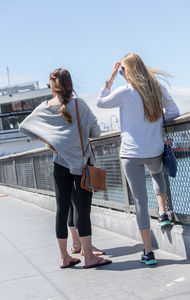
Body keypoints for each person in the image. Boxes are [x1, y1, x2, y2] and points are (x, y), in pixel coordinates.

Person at [20, 68, 112, 269]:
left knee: (62, 210)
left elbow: (24, 127)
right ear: (70, 85)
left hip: (59, 164)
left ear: (52, 87)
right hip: (81, 166)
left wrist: (49, 141)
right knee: (82, 210)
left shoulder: (45, 108)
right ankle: (89, 256)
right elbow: (95, 132)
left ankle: (65, 257)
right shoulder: (80, 105)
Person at [96, 54, 180, 265]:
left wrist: (111, 78)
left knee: (140, 202)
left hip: (131, 154)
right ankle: (163, 213)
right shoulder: (156, 88)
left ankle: (149, 253)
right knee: (156, 172)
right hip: (153, 150)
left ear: (128, 72)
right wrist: (155, 120)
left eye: (123, 71)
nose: (122, 74)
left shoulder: (125, 92)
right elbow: (174, 111)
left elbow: (100, 102)